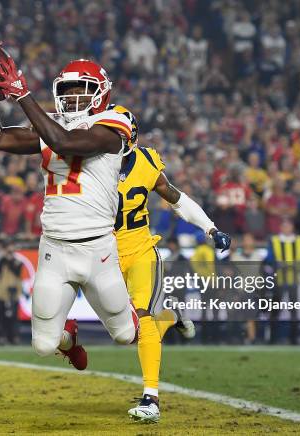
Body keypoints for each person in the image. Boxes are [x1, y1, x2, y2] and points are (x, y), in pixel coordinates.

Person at [0, 41, 139, 373]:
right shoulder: (50, 124)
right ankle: (69, 338)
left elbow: (65, 143)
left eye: (82, 89)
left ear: (101, 93)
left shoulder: (114, 123)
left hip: (98, 250)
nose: (73, 97)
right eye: (67, 89)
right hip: (54, 248)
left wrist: (22, 95)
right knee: (43, 345)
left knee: (125, 335)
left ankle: (138, 311)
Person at [113, 113, 230, 422]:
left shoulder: (146, 163)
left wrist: (210, 228)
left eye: (117, 137)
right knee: (126, 334)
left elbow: (176, 199)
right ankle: (174, 315)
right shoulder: (88, 163)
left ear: (130, 139)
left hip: (140, 250)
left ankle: (151, 398)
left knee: (144, 316)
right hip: (103, 258)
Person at [264, 219, 300, 344]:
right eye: (284, 226)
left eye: (289, 226)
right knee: (275, 310)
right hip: (279, 280)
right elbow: (269, 258)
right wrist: (278, 266)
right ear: (281, 228)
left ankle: (294, 339)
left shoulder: (299, 240)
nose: (287, 228)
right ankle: (272, 339)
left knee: (293, 310)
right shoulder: (275, 240)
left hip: (293, 280)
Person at [229, 233, 263, 345]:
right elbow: (231, 275)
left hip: (254, 290)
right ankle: (238, 338)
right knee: (238, 316)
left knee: (251, 316)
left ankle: (251, 338)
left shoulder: (258, 256)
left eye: (250, 239)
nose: (248, 242)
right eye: (246, 239)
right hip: (239, 291)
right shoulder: (235, 257)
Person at [0, 241, 23, 344]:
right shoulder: (2, 261)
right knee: (2, 315)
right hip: (2, 291)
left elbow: (17, 272)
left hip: (13, 290)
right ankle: (2, 336)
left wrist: (10, 261)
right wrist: (5, 259)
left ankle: (14, 336)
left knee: (14, 315)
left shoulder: (17, 262)